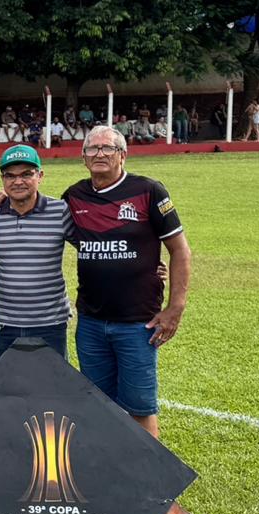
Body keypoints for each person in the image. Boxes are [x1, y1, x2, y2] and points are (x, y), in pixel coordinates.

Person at [63, 126, 191, 438]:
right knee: (97, 405)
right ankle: (108, 473)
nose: (99, 154)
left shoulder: (149, 191)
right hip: (91, 322)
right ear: (83, 159)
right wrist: (3, 197)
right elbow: (38, 214)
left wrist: (175, 307)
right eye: (92, 149)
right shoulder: (74, 196)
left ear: (123, 154)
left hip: (138, 323)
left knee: (140, 409)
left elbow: (180, 250)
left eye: (107, 148)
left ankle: (148, 483)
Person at [0, 146, 74, 362]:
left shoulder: (59, 211)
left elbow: (91, 249)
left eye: (26, 174)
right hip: (6, 323)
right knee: (9, 390)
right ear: (2, 179)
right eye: (10, 176)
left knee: (53, 387)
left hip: (50, 323)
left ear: (40, 176)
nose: (17, 181)